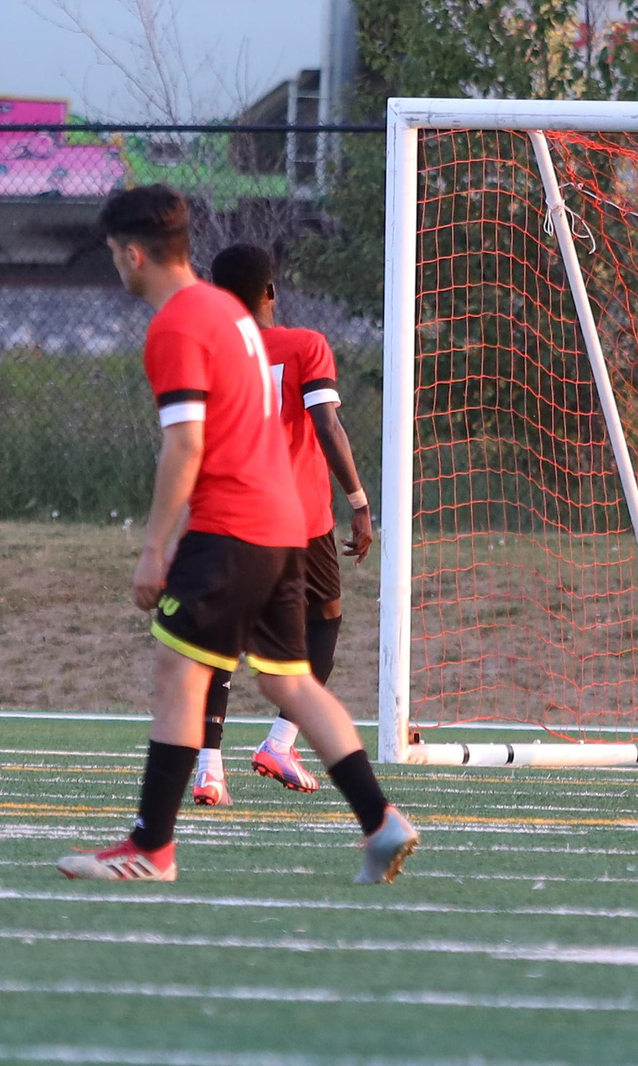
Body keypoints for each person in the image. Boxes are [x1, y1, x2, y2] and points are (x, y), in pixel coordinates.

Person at [57, 185, 416, 884]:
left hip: (232, 527)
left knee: (177, 672)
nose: (115, 268)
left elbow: (185, 445)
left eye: (111, 255)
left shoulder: (178, 325)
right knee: (290, 682)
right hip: (286, 524)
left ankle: (152, 846)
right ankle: (380, 819)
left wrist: (155, 544)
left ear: (133, 254)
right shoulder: (229, 314)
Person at [193, 241, 375, 801]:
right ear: (271, 291)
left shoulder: (208, 352)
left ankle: (208, 769)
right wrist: (360, 500)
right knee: (325, 620)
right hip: (300, 518)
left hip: (231, 516)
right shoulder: (304, 345)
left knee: (219, 639)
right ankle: (280, 740)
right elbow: (326, 425)